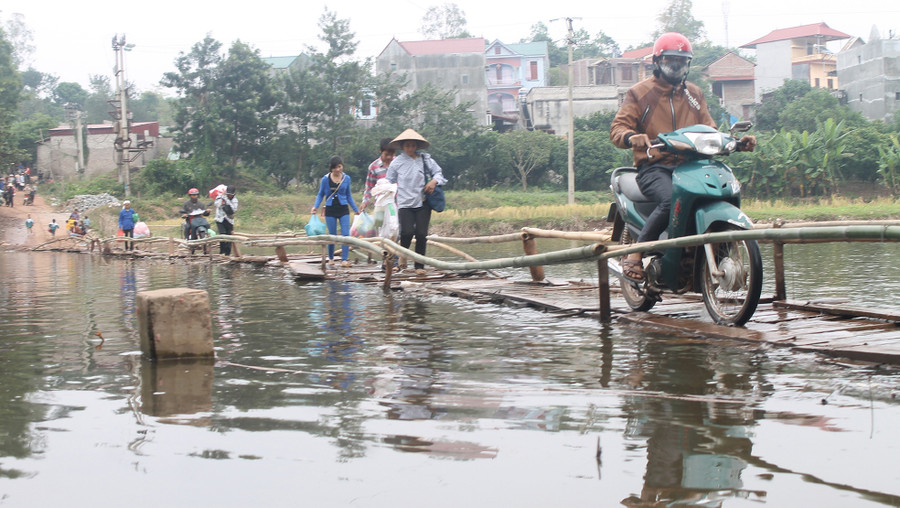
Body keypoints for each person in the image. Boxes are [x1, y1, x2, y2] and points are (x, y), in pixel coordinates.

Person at [610, 32, 756, 282]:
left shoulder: (694, 94)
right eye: (670, 61)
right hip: (655, 166)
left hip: (693, 166)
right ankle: (635, 254)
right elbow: (618, 128)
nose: (676, 66)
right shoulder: (640, 93)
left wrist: (737, 143)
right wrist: (631, 137)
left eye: (682, 61)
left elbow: (710, 130)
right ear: (657, 62)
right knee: (669, 200)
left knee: (721, 190)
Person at [386, 128, 447, 276]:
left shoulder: (426, 160)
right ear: (402, 147)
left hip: (423, 202)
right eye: (407, 146)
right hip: (405, 203)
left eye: (413, 146)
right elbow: (389, 180)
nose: (410, 149)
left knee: (421, 233)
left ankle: (419, 265)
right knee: (406, 232)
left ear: (417, 146)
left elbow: (438, 173)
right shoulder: (397, 163)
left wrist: (433, 181)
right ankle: (401, 260)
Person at [312, 156, 359, 268]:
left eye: (339, 166)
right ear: (331, 168)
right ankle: (331, 258)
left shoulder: (346, 178)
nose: (338, 169)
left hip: (343, 208)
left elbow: (348, 195)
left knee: (345, 235)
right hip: (330, 209)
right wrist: (315, 206)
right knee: (332, 235)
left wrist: (355, 209)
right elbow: (320, 194)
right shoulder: (325, 179)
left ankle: (344, 259)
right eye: (335, 167)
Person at [359, 137, 396, 212]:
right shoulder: (373, 167)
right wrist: (365, 202)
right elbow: (369, 188)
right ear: (381, 151)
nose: (389, 157)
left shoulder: (398, 164)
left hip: (396, 204)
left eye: (391, 154)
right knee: (379, 223)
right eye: (386, 154)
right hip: (381, 205)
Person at [214, 185, 239, 256]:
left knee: (229, 236)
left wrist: (226, 204)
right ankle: (222, 252)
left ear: (234, 194)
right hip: (220, 219)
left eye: (231, 195)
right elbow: (216, 204)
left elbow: (233, 209)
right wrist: (222, 202)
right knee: (222, 234)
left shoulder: (235, 200)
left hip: (229, 220)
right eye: (228, 194)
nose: (229, 196)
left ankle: (227, 253)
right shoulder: (220, 196)